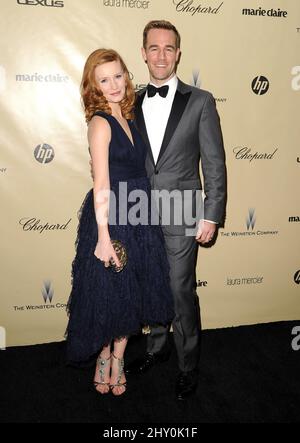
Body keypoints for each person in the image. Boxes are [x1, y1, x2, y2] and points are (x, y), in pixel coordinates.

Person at [125, 20, 227, 400]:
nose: (161, 55)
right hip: (138, 211)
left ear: (178, 53)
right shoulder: (130, 100)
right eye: (154, 48)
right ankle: (156, 349)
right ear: (144, 53)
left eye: (169, 48)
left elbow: (214, 163)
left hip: (183, 210)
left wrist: (211, 214)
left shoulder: (200, 100)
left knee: (180, 291)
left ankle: (187, 366)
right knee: (150, 286)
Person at [65, 49, 174, 396]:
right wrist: (102, 236)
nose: (113, 84)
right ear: (93, 86)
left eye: (118, 75)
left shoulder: (129, 117)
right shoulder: (100, 122)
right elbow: (101, 182)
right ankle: (102, 357)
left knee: (134, 290)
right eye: (104, 79)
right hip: (112, 214)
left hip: (139, 211)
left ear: (127, 75)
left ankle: (119, 359)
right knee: (109, 293)